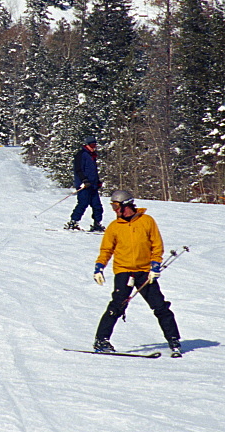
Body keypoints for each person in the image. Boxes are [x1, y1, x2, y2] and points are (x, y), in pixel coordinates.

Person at [91, 190, 182, 356]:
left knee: (160, 306)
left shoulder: (147, 221)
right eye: (112, 206)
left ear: (127, 205)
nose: (115, 210)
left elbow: (157, 246)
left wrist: (155, 267)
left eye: (116, 206)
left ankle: (173, 339)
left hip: (144, 272)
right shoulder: (114, 227)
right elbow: (106, 250)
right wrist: (99, 267)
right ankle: (101, 340)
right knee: (116, 306)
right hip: (124, 271)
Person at [65, 136, 104, 232]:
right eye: (92, 145)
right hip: (84, 185)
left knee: (97, 206)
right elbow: (78, 169)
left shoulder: (92, 155)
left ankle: (97, 224)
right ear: (86, 145)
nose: (94, 147)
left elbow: (93, 171)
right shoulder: (81, 154)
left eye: (95, 145)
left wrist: (97, 181)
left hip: (93, 186)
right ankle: (73, 222)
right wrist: (84, 180)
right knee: (83, 203)